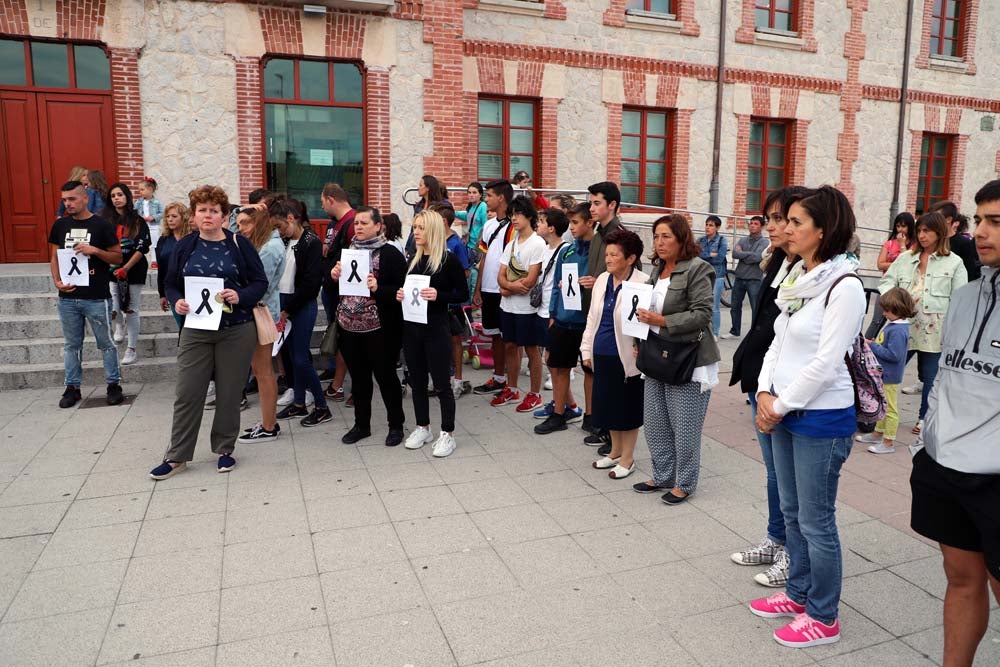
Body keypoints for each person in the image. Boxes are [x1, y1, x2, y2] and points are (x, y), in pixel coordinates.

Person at [749, 185, 867, 649]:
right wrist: (763, 390)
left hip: (819, 417)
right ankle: (797, 593)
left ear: (825, 229)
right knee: (793, 512)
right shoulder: (800, 274)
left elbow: (827, 360)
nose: (786, 229)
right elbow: (778, 339)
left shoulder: (846, 286)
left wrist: (777, 405)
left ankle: (824, 615)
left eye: (797, 222)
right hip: (782, 407)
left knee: (817, 520)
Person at [909, 179, 1000, 667]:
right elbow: (946, 374)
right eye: (979, 219)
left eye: (996, 222)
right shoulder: (965, 295)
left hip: (995, 477)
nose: (981, 231)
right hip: (945, 465)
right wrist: (931, 436)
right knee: (961, 579)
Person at [149, 185, 267, 479]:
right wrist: (177, 300)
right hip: (196, 330)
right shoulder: (185, 246)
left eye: (214, 211)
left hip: (236, 329)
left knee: (229, 392)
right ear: (194, 215)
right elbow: (171, 283)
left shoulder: (239, 245)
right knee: (188, 392)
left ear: (225, 216)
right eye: (202, 210)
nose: (208, 215)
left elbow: (259, 282)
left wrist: (240, 295)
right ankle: (177, 455)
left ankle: (225, 449)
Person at [729, 185, 807, 589]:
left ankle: (793, 552)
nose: (776, 227)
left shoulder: (816, 270)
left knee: (790, 479)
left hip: (791, 389)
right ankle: (777, 539)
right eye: (774, 218)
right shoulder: (777, 261)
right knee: (775, 473)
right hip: (763, 379)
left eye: (786, 219)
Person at [634, 214, 719, 500]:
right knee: (655, 422)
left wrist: (660, 320)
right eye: (656, 236)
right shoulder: (658, 270)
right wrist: (638, 337)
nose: (659, 242)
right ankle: (662, 476)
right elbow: (644, 307)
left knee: (684, 427)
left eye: (666, 236)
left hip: (687, 356)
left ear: (682, 239)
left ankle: (684, 483)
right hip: (656, 353)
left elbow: (702, 314)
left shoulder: (698, 268)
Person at [880, 211, 967, 434]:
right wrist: (895, 301)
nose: (921, 235)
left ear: (939, 233)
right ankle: (878, 414)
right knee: (883, 369)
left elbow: (960, 298)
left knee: (930, 376)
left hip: (935, 329)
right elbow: (886, 282)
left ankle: (923, 418)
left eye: (926, 231)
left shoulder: (954, 262)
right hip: (902, 325)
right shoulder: (905, 258)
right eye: (919, 230)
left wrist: (955, 331)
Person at [330, 206, 407, 446]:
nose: (359, 227)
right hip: (349, 328)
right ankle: (361, 425)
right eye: (357, 223)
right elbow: (334, 287)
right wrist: (332, 276)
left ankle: (396, 425)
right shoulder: (348, 251)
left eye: (364, 223)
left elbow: (402, 292)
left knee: (386, 378)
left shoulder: (391, 254)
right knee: (359, 380)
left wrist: (379, 288)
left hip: (380, 329)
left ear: (378, 226)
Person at [396, 210, 469, 457]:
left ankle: (447, 433)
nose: (416, 232)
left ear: (434, 231)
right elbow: (408, 290)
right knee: (417, 382)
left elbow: (463, 294)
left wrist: (441, 296)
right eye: (414, 227)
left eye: (421, 228)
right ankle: (422, 426)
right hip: (412, 329)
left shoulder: (448, 261)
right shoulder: (413, 260)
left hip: (436, 329)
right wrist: (400, 294)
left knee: (441, 385)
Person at [49, 181, 124, 408]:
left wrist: (95, 251)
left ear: (85, 198)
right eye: (64, 199)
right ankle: (72, 388)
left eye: (72, 199)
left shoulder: (102, 225)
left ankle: (113, 384)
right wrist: (57, 282)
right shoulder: (60, 226)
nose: (67, 203)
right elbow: (54, 256)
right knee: (72, 345)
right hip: (68, 297)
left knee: (106, 343)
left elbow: (117, 257)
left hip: (96, 295)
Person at [580, 228, 648, 479]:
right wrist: (586, 348)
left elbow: (642, 324)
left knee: (626, 408)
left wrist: (640, 348)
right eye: (607, 254)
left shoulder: (641, 283)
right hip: (602, 352)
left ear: (630, 258)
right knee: (608, 403)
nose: (608, 259)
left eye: (614, 255)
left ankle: (628, 458)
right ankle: (615, 451)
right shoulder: (601, 280)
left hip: (627, 356)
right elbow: (592, 318)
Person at [272, 196, 333, 427]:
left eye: (280, 226)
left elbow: (310, 284)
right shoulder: (287, 242)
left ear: (291, 218)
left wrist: (287, 309)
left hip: (300, 305)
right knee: (291, 356)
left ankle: (321, 406)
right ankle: (298, 402)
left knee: (301, 357)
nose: (278, 231)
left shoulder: (311, 242)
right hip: (285, 302)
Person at [535, 205, 589, 435]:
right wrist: (553, 314)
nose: (572, 228)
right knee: (557, 365)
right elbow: (558, 285)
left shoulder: (596, 250)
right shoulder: (568, 252)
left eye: (576, 223)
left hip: (584, 320)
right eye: (572, 223)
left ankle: (591, 416)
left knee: (589, 371)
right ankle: (559, 412)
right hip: (563, 319)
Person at [235, 208, 287, 443]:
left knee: (264, 371)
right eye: (238, 223)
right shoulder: (264, 243)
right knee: (262, 371)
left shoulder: (269, 247)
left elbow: (260, 285)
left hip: (261, 311)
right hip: (261, 309)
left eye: (246, 222)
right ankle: (268, 423)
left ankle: (269, 425)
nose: (241, 228)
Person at [585, 181, 630, 449]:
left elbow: (625, 272)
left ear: (612, 205)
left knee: (614, 377)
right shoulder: (597, 232)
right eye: (590, 203)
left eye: (597, 203)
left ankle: (615, 436)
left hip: (614, 313)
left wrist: (601, 279)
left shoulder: (620, 235)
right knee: (598, 374)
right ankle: (603, 427)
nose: (592, 208)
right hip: (596, 308)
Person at [492, 196, 547, 412]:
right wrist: (509, 288)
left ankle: (535, 394)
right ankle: (512, 388)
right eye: (511, 214)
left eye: (518, 214)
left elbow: (531, 280)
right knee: (510, 346)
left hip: (528, 308)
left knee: (532, 349)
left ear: (529, 216)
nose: (513, 218)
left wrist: (507, 288)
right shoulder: (512, 242)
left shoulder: (537, 243)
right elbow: (500, 274)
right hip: (509, 306)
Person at [855, 288, 915, 454]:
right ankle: (878, 433)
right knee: (884, 405)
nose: (884, 313)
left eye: (886, 310)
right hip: (885, 374)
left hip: (889, 376)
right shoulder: (895, 327)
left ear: (896, 310)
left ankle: (888, 442)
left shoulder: (897, 330)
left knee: (889, 409)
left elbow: (894, 355)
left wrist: (873, 346)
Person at [472, 179, 516, 395]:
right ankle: (498, 378)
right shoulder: (489, 225)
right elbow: (484, 258)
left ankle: (513, 383)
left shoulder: (515, 225)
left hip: (506, 290)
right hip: (489, 289)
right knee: (494, 335)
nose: (485, 199)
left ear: (501, 197)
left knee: (511, 339)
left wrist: (509, 286)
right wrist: (478, 288)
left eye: (489, 195)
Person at [105, 182, 151, 366]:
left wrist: (126, 268)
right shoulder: (105, 220)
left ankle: (131, 349)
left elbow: (142, 247)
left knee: (132, 308)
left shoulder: (137, 220)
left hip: (135, 267)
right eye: (113, 195)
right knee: (114, 306)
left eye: (120, 195)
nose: (116, 198)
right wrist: (111, 264)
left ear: (127, 197)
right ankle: (119, 325)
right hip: (111, 268)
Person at [431, 203, 473, 399]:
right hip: (435, 300)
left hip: (452, 301)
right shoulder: (434, 242)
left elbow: (464, 271)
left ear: (444, 221)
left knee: (455, 340)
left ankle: (457, 379)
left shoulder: (456, 243)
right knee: (438, 341)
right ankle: (439, 378)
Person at [319, 183, 356, 401]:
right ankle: (338, 385)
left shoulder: (351, 223)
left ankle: (356, 388)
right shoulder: (337, 223)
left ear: (331, 199)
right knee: (343, 340)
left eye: (323, 202)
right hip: (335, 290)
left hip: (346, 294)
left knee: (350, 341)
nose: (322, 207)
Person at [534, 208, 570, 393]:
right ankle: (565, 403)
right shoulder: (545, 248)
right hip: (542, 307)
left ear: (551, 228)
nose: (537, 224)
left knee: (553, 357)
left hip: (553, 310)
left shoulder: (565, 250)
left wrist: (557, 313)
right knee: (547, 355)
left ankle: (562, 402)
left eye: (541, 221)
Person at [723, 215, 768, 339]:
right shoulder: (743, 240)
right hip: (739, 278)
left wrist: (743, 254)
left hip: (754, 279)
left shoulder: (765, 242)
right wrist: (748, 255)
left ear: (762, 227)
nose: (752, 225)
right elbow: (735, 254)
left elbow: (759, 257)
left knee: (755, 308)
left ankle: (754, 333)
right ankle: (734, 331)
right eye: (751, 223)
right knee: (735, 306)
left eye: (756, 224)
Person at [156, 202, 192, 329]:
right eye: (168, 216)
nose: (170, 219)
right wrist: (162, 294)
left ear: (183, 217)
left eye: (174, 216)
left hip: (192, 287)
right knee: (182, 327)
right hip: (172, 290)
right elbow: (161, 268)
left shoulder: (193, 238)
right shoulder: (163, 240)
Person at [929, 200, 981, 282]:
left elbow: (969, 273)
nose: (931, 221)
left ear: (949, 219)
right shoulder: (932, 241)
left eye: (937, 217)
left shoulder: (964, 243)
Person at [697, 215, 728, 339]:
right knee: (700, 304)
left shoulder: (722, 241)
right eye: (706, 225)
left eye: (711, 225)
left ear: (717, 227)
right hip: (702, 275)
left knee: (714, 306)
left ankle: (715, 333)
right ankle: (701, 331)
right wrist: (710, 255)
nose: (707, 227)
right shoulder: (700, 240)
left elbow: (720, 258)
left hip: (717, 276)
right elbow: (695, 255)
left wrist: (704, 255)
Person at [406, 175, 447, 257]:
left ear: (428, 188)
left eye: (421, 185)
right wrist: (407, 248)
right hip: (415, 246)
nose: (418, 188)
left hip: (430, 248)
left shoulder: (439, 207)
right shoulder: (419, 206)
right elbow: (412, 229)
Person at [455, 182, 488, 253]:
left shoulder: (483, 206)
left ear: (480, 194)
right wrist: (453, 213)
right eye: (469, 193)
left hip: (478, 246)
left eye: (474, 192)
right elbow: (468, 216)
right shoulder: (472, 206)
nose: (471, 195)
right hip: (469, 244)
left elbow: (486, 226)